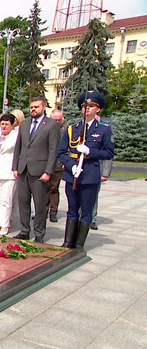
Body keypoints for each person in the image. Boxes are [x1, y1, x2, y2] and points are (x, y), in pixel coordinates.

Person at [57, 91, 114, 249]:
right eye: (85, 106)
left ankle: (80, 244)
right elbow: (61, 153)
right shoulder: (72, 129)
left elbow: (109, 153)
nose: (87, 109)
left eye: (91, 106)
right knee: (72, 209)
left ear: (98, 109)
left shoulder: (103, 129)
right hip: (73, 173)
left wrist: (91, 151)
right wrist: (71, 165)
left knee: (86, 211)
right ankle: (68, 242)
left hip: (90, 174)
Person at [12, 96, 62, 242]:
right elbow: (18, 146)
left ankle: (39, 233)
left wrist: (48, 171)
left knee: (39, 204)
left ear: (44, 107)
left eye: (36, 107)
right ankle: (25, 230)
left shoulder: (51, 125)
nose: (33, 109)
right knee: (23, 202)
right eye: (32, 107)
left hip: (40, 171)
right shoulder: (25, 124)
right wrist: (15, 166)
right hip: (23, 169)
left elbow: (54, 150)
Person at [47, 109, 66, 222]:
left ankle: (53, 212)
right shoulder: (46, 127)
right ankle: (42, 211)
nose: (57, 122)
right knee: (43, 188)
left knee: (53, 188)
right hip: (45, 162)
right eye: (55, 120)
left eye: (59, 120)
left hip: (58, 163)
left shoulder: (66, 129)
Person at [91, 157, 112, 230]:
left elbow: (107, 153)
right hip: (78, 169)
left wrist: (105, 173)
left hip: (96, 169)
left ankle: (92, 219)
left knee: (93, 195)